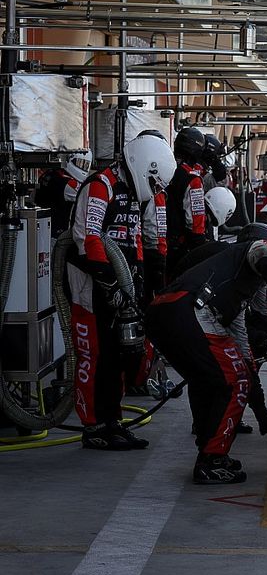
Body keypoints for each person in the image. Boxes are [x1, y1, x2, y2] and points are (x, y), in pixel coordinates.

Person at [145, 223, 267, 484]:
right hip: (189, 310)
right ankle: (212, 459)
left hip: (162, 313)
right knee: (236, 382)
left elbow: (244, 354)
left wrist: (260, 409)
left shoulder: (233, 299)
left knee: (209, 379)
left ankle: (208, 443)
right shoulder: (256, 249)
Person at [67, 134, 176, 449]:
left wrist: (138, 282)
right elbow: (90, 238)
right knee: (94, 354)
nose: (154, 191)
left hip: (122, 283)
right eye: (154, 183)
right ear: (145, 166)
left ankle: (112, 421)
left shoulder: (132, 194)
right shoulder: (101, 186)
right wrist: (109, 284)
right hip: (90, 283)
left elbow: (135, 237)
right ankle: (93, 427)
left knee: (119, 356)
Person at [165, 127, 208, 276]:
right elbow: (195, 221)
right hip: (179, 247)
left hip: (154, 242)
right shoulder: (193, 179)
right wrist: (200, 247)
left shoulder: (163, 169)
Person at [35, 151, 93, 238]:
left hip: (42, 228)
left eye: (85, 165)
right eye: (80, 163)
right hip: (55, 234)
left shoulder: (50, 174)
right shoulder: (65, 183)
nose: (82, 167)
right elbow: (89, 195)